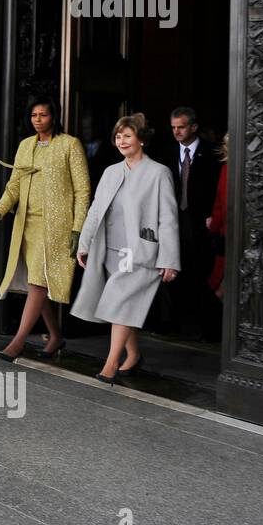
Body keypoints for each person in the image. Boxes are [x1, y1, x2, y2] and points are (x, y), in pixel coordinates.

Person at [72, 114, 180, 384]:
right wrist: (84, 244)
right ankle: (133, 356)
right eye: (118, 136)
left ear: (141, 140)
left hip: (140, 253)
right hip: (110, 251)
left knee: (119, 305)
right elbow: (96, 210)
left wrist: (170, 259)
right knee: (121, 306)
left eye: (127, 136)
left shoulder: (158, 173)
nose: (121, 141)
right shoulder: (111, 172)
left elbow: (168, 218)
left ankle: (110, 365)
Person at [0, 96, 91, 361]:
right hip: (28, 226)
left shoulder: (70, 145)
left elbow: (82, 189)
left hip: (57, 227)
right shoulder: (25, 146)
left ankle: (18, 342)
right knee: (38, 282)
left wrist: (79, 228)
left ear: (53, 116)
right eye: (34, 116)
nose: (38, 120)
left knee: (38, 283)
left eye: (43, 115)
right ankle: (55, 336)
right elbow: (14, 185)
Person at [159, 106, 221, 339]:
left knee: (200, 270)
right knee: (172, 269)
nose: (176, 132)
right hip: (173, 220)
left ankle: (206, 327)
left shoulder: (212, 153)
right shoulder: (165, 153)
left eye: (181, 127)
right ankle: (172, 324)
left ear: (194, 127)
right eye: (173, 127)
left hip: (202, 222)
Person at [205, 132, 229, 299]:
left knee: (222, 289)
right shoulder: (227, 168)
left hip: (229, 235)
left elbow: (222, 204)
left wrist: (213, 225)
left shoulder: (228, 169)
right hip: (227, 235)